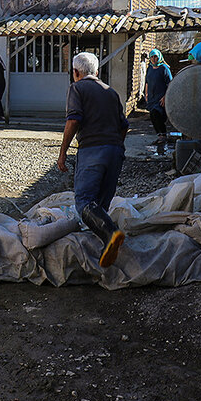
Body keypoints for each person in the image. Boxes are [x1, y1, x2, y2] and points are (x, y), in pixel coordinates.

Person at [57, 52, 129, 268]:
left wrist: (63, 153)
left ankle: (112, 234)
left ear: (76, 73)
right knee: (100, 205)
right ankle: (107, 245)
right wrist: (116, 146)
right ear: (97, 72)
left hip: (92, 150)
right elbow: (124, 126)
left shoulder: (76, 88)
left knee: (85, 201)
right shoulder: (111, 92)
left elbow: (73, 120)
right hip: (115, 151)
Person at [144, 49, 172, 153]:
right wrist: (146, 94)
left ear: (159, 57)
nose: (154, 59)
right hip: (152, 97)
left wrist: (165, 96)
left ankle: (163, 135)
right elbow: (147, 81)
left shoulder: (164, 69)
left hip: (161, 97)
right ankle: (160, 135)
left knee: (157, 114)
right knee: (152, 115)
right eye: (152, 57)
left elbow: (170, 83)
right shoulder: (150, 68)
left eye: (155, 57)